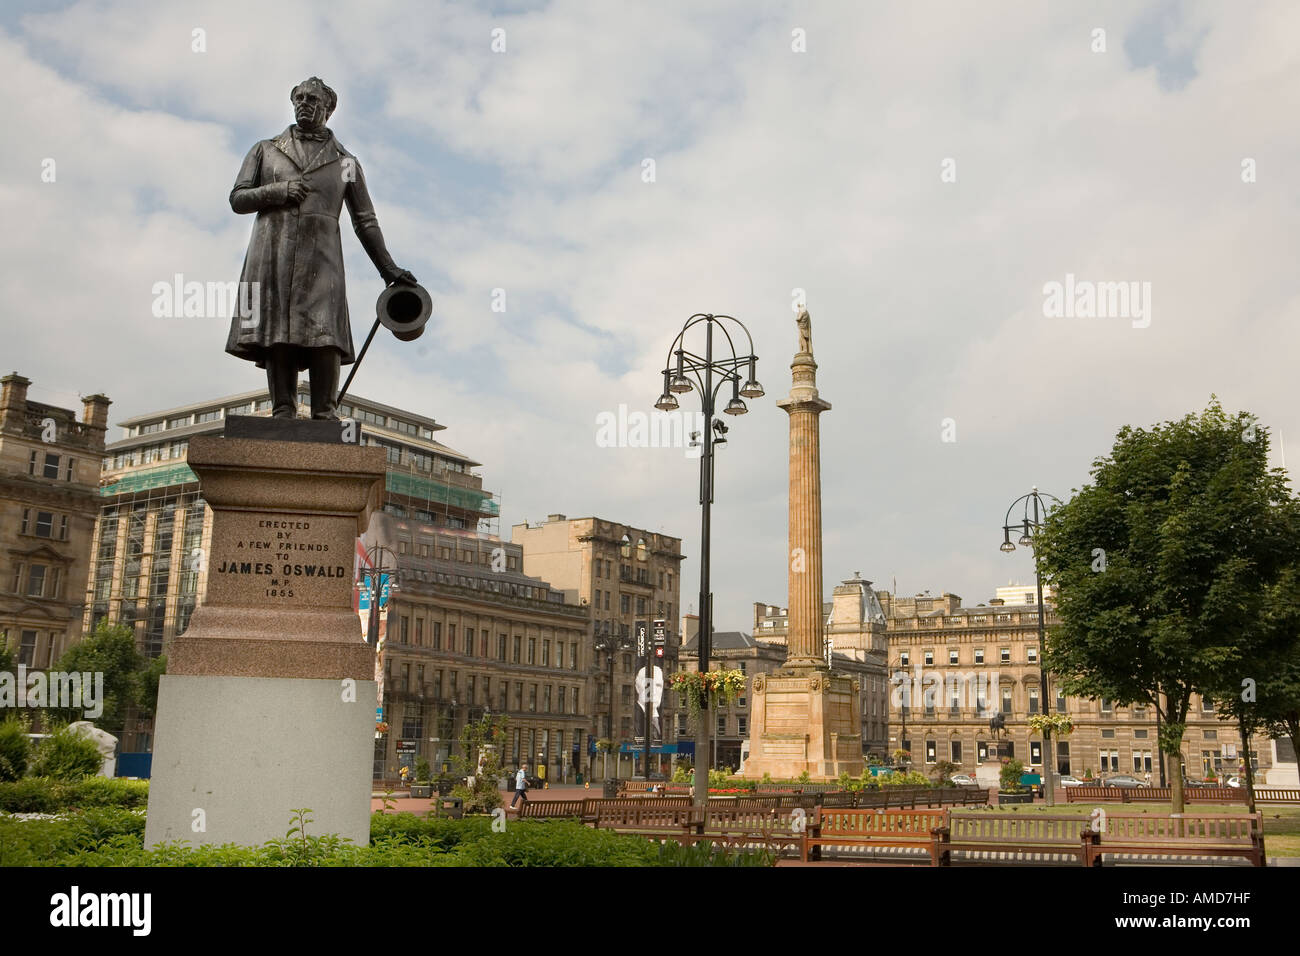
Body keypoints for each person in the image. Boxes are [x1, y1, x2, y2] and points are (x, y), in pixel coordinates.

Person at [225, 76, 416, 420]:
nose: (304, 104)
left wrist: (389, 270)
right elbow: (238, 198)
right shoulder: (265, 149)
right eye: (299, 98)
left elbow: (366, 222)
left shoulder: (346, 162)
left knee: (325, 330)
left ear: (329, 109)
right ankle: (282, 409)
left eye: (313, 99)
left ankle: (324, 413)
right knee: (278, 330)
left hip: (323, 256)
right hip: (273, 251)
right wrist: (278, 191)